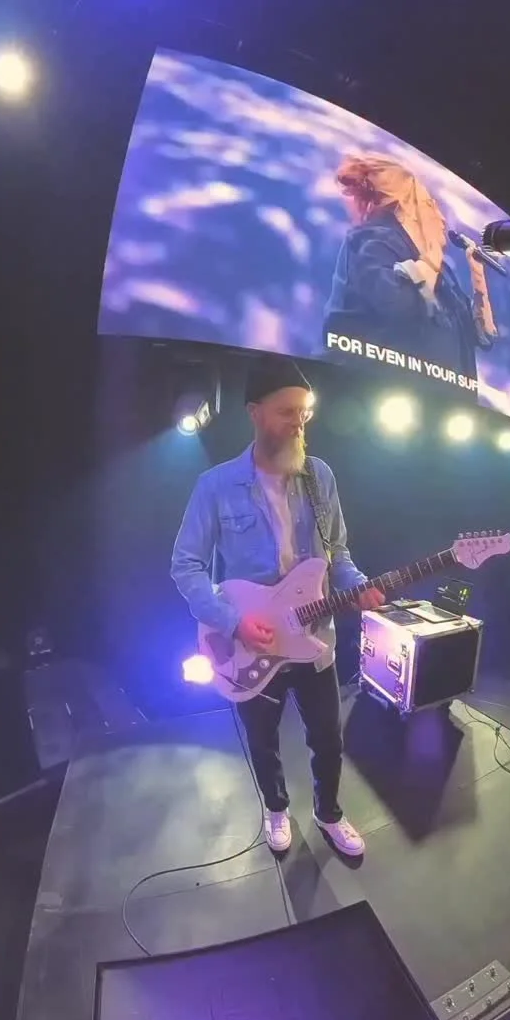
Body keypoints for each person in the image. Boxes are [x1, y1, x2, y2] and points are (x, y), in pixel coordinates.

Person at [171, 355, 384, 857]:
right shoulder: (215, 486)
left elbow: (338, 554)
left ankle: (329, 813)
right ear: (255, 412)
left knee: (328, 739)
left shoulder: (319, 476)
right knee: (263, 741)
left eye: (304, 412)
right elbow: (186, 565)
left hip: (315, 639)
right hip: (252, 644)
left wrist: (360, 587)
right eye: (287, 412)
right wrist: (232, 622)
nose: (299, 423)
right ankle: (276, 808)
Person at [324, 153, 497, 376]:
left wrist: (478, 277)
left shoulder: (441, 272)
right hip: (374, 386)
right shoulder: (372, 241)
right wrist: (433, 252)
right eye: (429, 205)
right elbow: (399, 307)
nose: (442, 217)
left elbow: (482, 338)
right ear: (408, 209)